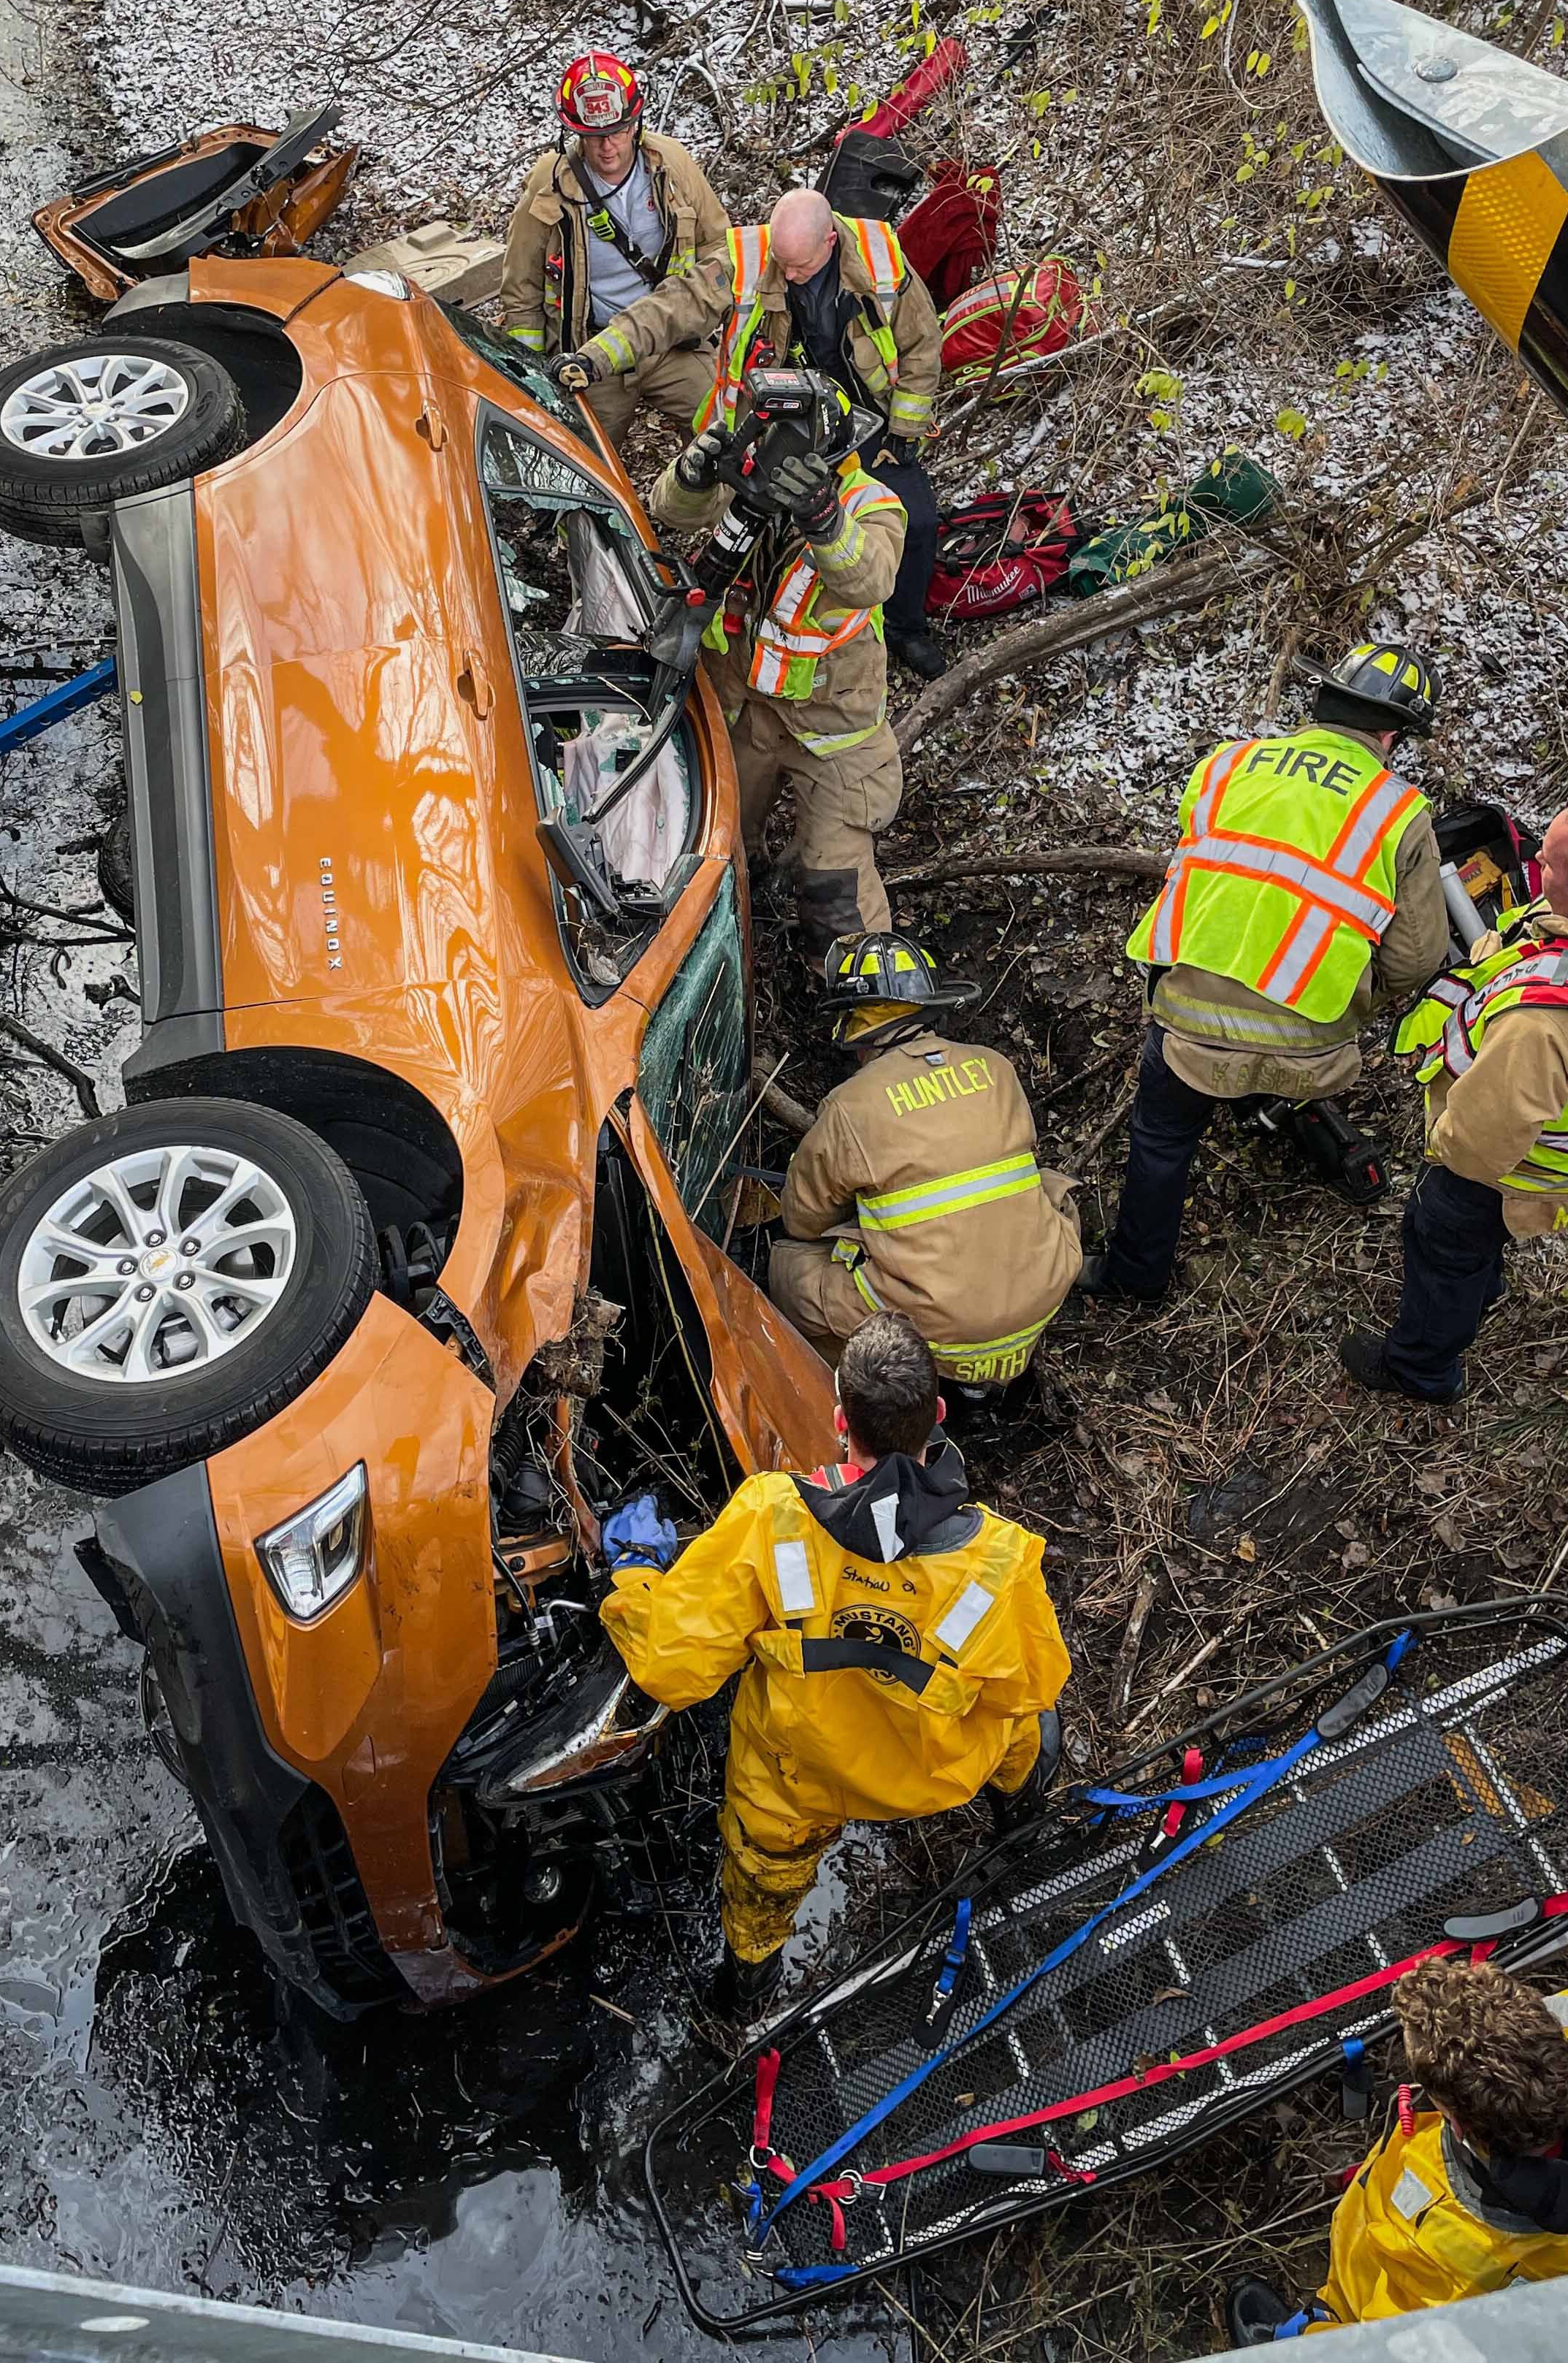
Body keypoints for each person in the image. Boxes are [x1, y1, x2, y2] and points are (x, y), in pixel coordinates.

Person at [598, 1313, 1071, 2025]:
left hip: (798, 1784)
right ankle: (1020, 1814)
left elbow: (670, 1668)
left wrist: (636, 1575)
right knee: (1022, 1720)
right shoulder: (1001, 1564)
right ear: (937, 1415)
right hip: (931, 1774)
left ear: (837, 1416)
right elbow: (1031, 1686)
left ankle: (745, 1990)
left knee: (763, 1876)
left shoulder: (769, 1517)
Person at [1079, 643, 1450, 1308]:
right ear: (1391, 733)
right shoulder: (1398, 811)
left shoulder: (1226, 765)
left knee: (1162, 1137)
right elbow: (1417, 958)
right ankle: (1292, 1115)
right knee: (1283, 1065)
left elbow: (1204, 874)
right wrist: (1350, 998)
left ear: (1320, 700)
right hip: (1310, 1043)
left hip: (1189, 1025)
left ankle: (1133, 1276)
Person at [1345, 796, 1568, 1402]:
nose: (1534, 869)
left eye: (1547, 865)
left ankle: (1419, 1367)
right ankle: (1481, 1285)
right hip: (1561, 1158)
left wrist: (1441, 1144)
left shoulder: (1547, 1021)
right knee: (1473, 1249)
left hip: (1502, 1171)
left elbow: (1483, 1139)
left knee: (1440, 1239)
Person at [1226, 1958, 1568, 2342]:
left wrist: (1325, 2340)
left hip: (1375, 2286)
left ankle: (1301, 2335)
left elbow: (1382, 2342)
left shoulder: (1436, 2243)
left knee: (1349, 2312)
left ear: (1456, 2122)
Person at [649, 370, 906, 955]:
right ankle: (732, 929)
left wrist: (822, 516)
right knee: (717, 842)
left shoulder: (870, 502)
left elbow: (871, 578)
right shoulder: (750, 469)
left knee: (834, 889)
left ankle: (871, 1014)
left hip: (834, 734)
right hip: (745, 710)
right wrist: (694, 471)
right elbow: (671, 510)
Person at [770, 931, 1082, 1393]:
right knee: (1047, 1187)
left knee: (791, 1268)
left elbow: (802, 1221)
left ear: (855, 1024)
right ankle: (985, 1382)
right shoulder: (996, 1067)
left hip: (940, 1337)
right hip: (1039, 1302)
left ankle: (873, 1395)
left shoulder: (851, 1106)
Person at [699, 186, 947, 679]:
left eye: (800, 268)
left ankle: (904, 628)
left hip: (866, 417)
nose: (788, 277)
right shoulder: (757, 263)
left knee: (916, 522)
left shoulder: (879, 263)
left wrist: (905, 428)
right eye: (783, 265)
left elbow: (921, 344)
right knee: (760, 517)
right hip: (790, 413)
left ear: (830, 242)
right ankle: (749, 620)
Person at [498, 51, 730, 453]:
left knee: (725, 433)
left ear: (636, 124)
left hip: (669, 344)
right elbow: (522, 291)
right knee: (581, 464)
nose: (607, 148)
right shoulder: (549, 183)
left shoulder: (671, 165)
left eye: (618, 132)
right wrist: (531, 381)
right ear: (574, 133)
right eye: (593, 136)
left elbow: (719, 247)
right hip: (588, 355)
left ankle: (704, 508)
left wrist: (693, 306)